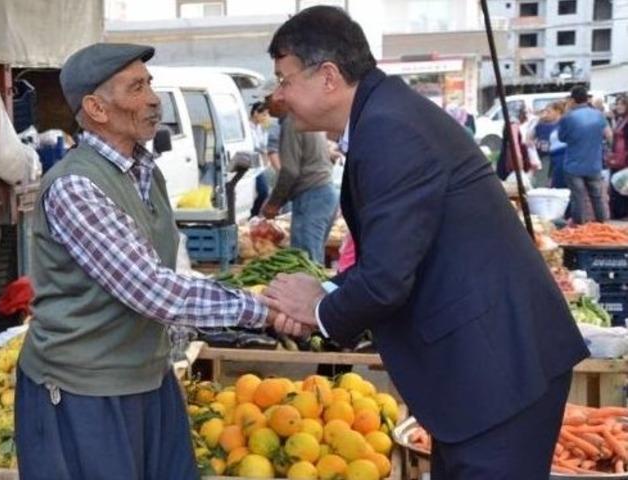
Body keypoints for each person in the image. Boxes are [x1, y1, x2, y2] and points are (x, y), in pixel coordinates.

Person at [262, 7, 588, 479]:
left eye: (284, 80)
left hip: (499, 371)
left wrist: (318, 310)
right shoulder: (384, 115)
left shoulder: (388, 128)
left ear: (328, 76)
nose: (279, 96)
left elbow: (386, 279)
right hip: (481, 371)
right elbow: (399, 252)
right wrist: (326, 297)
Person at [14, 43, 276, 480]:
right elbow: (152, 289)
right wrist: (265, 309)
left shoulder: (144, 172)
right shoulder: (75, 187)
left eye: (149, 83)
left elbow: (167, 268)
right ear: (96, 108)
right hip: (86, 391)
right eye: (136, 87)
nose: (153, 98)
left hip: (147, 379)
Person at [261, 94, 338, 263]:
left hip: (312, 196)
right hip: (322, 194)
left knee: (305, 261)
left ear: (281, 99)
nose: (266, 106)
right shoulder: (304, 117)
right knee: (311, 260)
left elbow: (289, 171)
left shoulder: (291, 122)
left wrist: (274, 203)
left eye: (268, 100)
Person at [559, 86, 613, 224]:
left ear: (572, 100)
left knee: (578, 198)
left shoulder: (568, 117)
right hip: (594, 164)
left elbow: (562, 138)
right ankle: (603, 226)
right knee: (597, 197)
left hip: (573, 165)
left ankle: (580, 229)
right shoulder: (598, 115)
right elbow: (609, 136)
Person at [250, 101, 272, 216]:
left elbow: (264, 144)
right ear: (255, 114)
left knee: (263, 191)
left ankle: (253, 214)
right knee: (263, 191)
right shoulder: (249, 128)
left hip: (260, 165)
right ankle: (253, 214)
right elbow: (256, 146)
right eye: (263, 114)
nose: (265, 118)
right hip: (253, 164)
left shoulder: (260, 128)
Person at [608, 96, 628, 219]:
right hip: (616, 158)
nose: (619, 106)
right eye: (617, 104)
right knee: (616, 184)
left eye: (622, 104)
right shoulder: (620, 120)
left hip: (625, 158)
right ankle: (618, 212)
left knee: (624, 184)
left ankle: (624, 212)